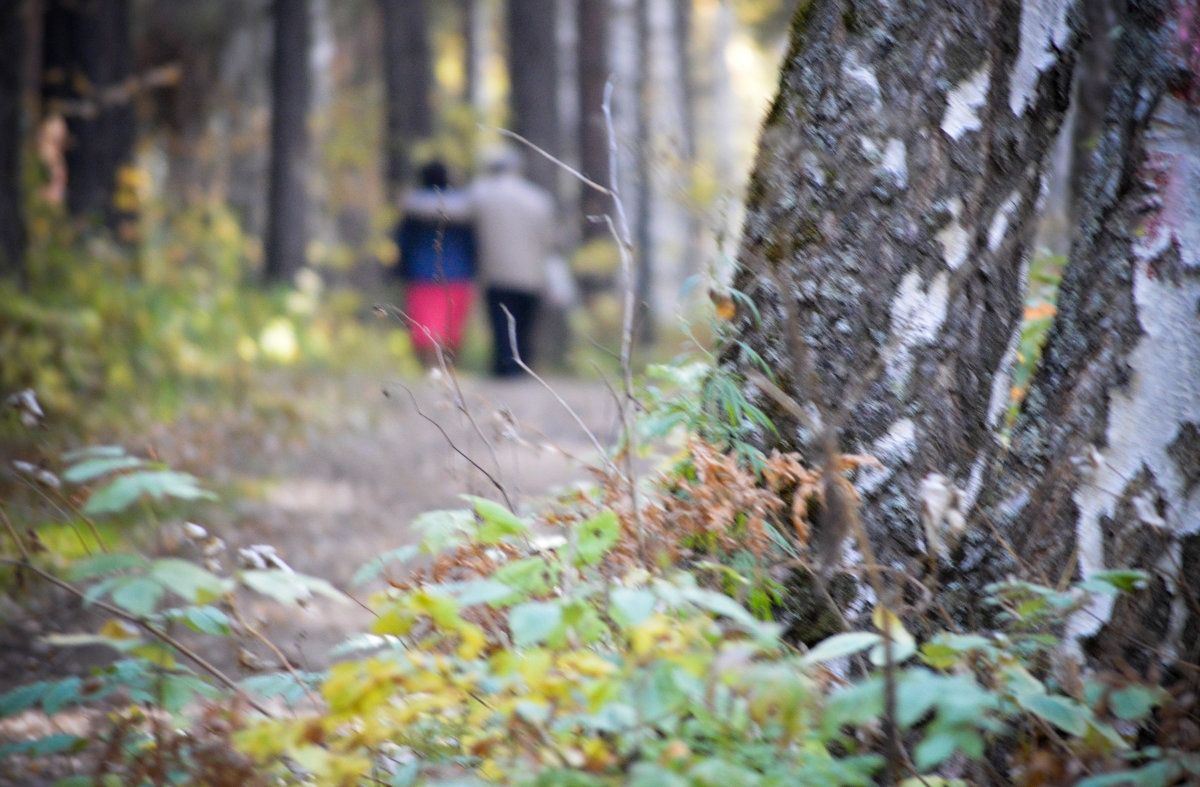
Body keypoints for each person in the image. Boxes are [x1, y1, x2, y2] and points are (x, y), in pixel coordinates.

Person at [404, 148, 557, 377]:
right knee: (524, 324)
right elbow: (550, 238)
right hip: (531, 274)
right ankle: (521, 369)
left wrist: (409, 201)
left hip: (497, 274)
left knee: (502, 325)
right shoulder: (537, 198)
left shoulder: (483, 194)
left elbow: (448, 209)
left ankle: (505, 369)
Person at [394, 161, 477, 367]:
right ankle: (448, 369)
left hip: (421, 273)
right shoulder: (464, 210)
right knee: (451, 326)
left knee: (423, 324)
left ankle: (429, 368)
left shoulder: (412, 209)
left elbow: (404, 243)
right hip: (457, 274)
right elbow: (472, 243)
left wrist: (400, 269)